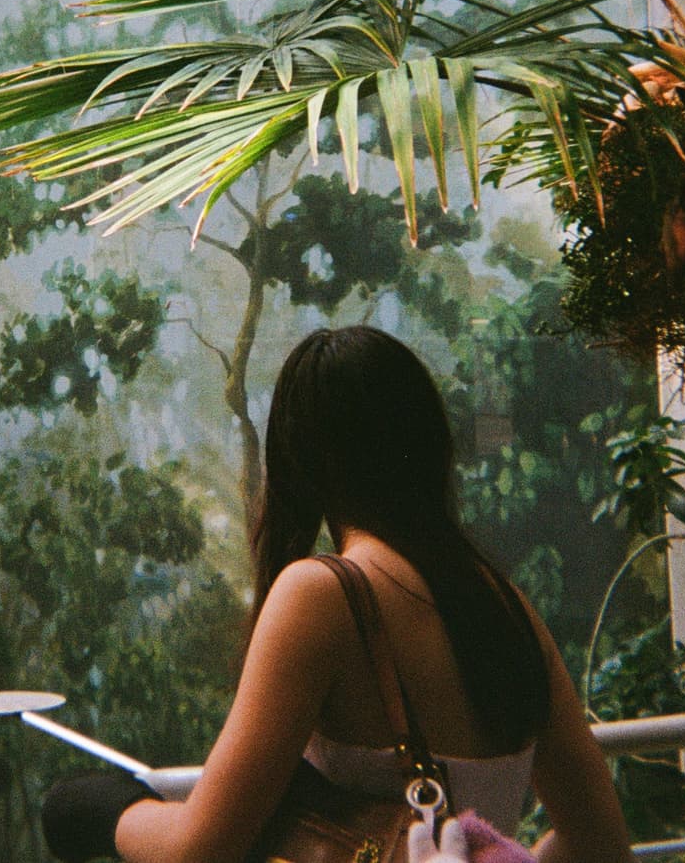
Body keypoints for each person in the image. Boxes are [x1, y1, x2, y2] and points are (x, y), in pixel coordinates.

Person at [42, 325, 634, 863]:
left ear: (302, 462)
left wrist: (106, 809)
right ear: (430, 445)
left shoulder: (323, 595)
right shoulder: (507, 606)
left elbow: (199, 847)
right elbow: (599, 842)